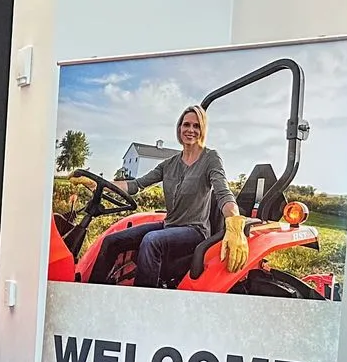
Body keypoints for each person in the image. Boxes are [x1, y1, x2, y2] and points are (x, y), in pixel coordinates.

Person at [92, 105, 248, 286]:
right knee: (112, 241)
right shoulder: (169, 164)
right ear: (179, 128)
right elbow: (136, 184)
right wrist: (98, 183)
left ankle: (143, 302)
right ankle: (92, 289)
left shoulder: (210, 158)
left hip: (195, 230)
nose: (190, 130)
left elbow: (223, 193)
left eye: (196, 126)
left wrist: (235, 223)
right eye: (186, 124)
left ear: (203, 130)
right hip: (169, 224)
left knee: (151, 240)